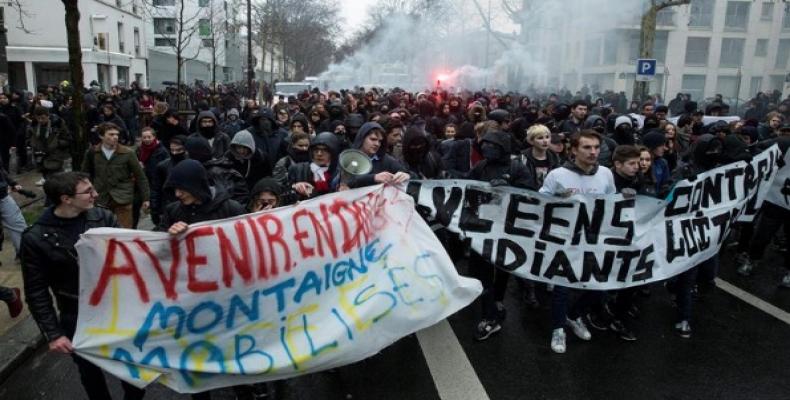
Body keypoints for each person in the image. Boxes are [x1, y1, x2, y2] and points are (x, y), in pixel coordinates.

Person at [21, 172, 146, 400]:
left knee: (131, 368)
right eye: (88, 191)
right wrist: (53, 334)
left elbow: (133, 255)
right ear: (66, 198)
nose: (95, 194)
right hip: (76, 316)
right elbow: (36, 291)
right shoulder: (35, 238)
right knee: (90, 372)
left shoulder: (103, 217)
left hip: (116, 310)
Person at [158, 160, 249, 400]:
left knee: (233, 349)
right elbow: (157, 251)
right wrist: (168, 236)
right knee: (197, 352)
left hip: (228, 296)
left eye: (182, 188)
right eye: (174, 190)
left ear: (196, 185)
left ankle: (246, 389)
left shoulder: (231, 208)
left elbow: (249, 245)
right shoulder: (173, 211)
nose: (177, 194)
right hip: (192, 299)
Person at [540, 130, 616, 354]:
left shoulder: (606, 173)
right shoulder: (557, 175)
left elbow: (612, 201)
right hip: (566, 240)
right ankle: (558, 329)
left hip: (595, 239)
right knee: (562, 287)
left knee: (599, 286)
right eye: (587, 147)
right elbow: (539, 201)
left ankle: (573, 316)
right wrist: (554, 199)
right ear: (573, 150)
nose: (593, 152)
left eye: (596, 147)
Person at [468, 130, 535, 340]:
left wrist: (510, 188)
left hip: (507, 229)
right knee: (481, 272)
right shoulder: (481, 166)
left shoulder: (517, 168)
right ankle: (490, 315)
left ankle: (496, 303)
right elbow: (467, 187)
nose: (486, 148)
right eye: (484, 144)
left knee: (502, 270)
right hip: (483, 228)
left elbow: (532, 195)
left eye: (492, 145)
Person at [82, 122, 150, 228]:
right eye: (111, 134)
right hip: (101, 196)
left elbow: (140, 176)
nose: (115, 137)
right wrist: (88, 193)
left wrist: (146, 198)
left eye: (116, 134)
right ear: (101, 136)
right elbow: (85, 175)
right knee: (101, 229)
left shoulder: (128, 153)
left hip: (123, 196)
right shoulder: (92, 153)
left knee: (124, 231)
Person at [347, 122, 409, 188]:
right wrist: (374, 178)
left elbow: (409, 173)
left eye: (380, 141)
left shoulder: (385, 159)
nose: (377, 144)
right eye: (373, 139)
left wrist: (405, 175)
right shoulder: (350, 157)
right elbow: (344, 181)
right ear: (362, 139)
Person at [288, 132, 341, 199]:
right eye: (316, 149)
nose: (319, 154)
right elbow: (283, 196)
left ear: (333, 153)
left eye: (325, 150)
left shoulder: (339, 175)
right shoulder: (297, 169)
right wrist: (295, 189)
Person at [28, 106, 71, 187]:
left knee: (58, 182)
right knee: (48, 183)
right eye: (38, 118)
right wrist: (32, 144)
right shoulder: (34, 125)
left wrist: (57, 143)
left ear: (48, 115)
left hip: (55, 157)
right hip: (40, 158)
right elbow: (29, 138)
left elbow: (67, 139)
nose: (40, 120)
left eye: (43, 118)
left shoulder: (57, 124)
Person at [135, 127, 169, 227]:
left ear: (154, 137)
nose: (146, 139)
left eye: (149, 137)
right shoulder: (139, 150)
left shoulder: (162, 151)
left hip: (158, 183)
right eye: (144, 137)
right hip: (145, 182)